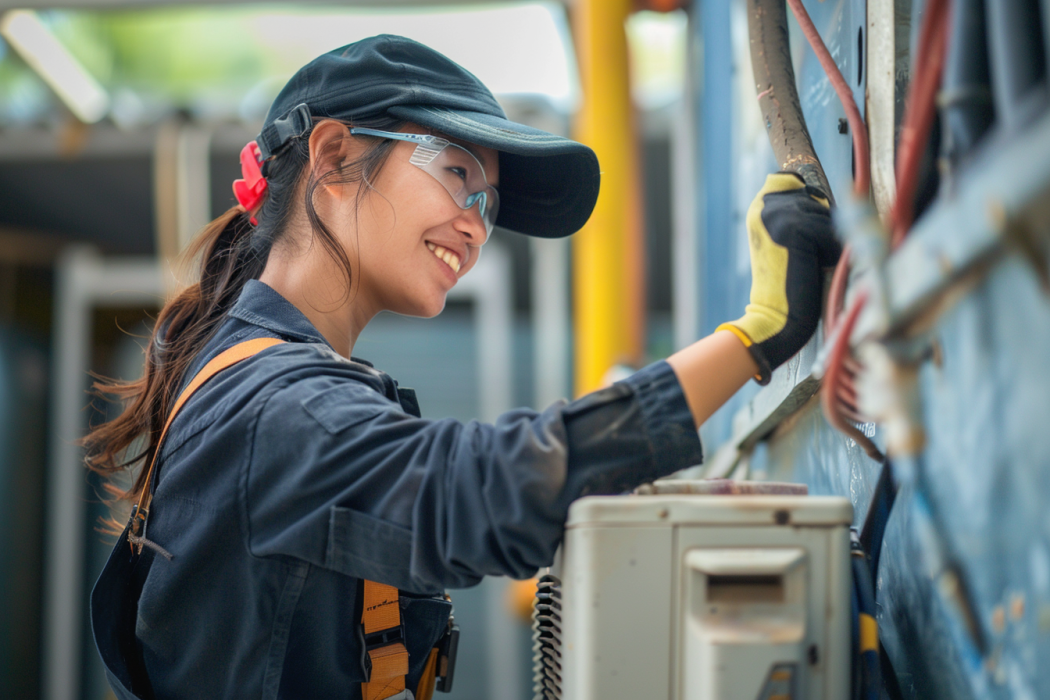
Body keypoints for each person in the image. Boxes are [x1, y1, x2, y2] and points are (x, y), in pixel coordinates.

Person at [85, 35, 839, 700]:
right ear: (334, 158)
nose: (477, 225)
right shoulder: (276, 410)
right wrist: (755, 337)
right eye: (455, 173)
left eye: (488, 202)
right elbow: (485, 490)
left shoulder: (258, 384)